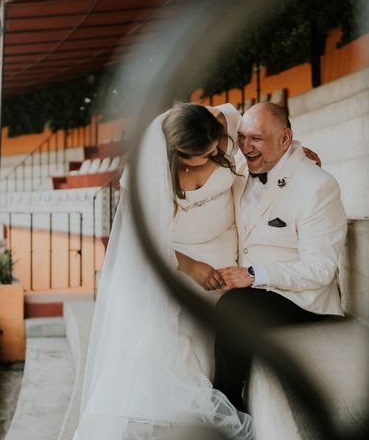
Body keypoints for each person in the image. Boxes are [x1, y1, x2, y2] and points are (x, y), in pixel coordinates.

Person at [74, 102, 255, 440]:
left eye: (215, 146)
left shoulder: (224, 122)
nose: (215, 153)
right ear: (177, 155)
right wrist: (191, 267)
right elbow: (146, 242)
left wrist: (298, 154)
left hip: (226, 255)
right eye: (202, 154)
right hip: (180, 264)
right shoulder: (153, 168)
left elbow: (264, 136)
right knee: (178, 353)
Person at [213, 101, 348, 413]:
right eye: (242, 138)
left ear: (285, 139)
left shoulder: (318, 186)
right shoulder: (238, 171)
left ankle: (227, 413)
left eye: (256, 139)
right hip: (252, 287)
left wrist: (254, 275)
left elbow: (320, 269)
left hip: (300, 299)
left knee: (235, 307)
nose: (246, 148)